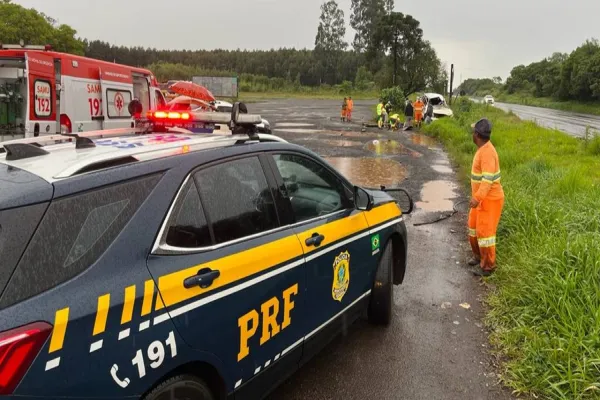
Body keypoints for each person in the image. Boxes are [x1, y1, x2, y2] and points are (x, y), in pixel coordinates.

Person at [468, 118, 505, 277]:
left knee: (485, 234)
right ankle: (478, 257)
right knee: (473, 228)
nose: (472, 134)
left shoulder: (488, 152)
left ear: (477, 134)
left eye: (473, 132)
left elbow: (487, 180)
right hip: (481, 199)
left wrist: (477, 197)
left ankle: (488, 267)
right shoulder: (482, 149)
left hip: (490, 200)